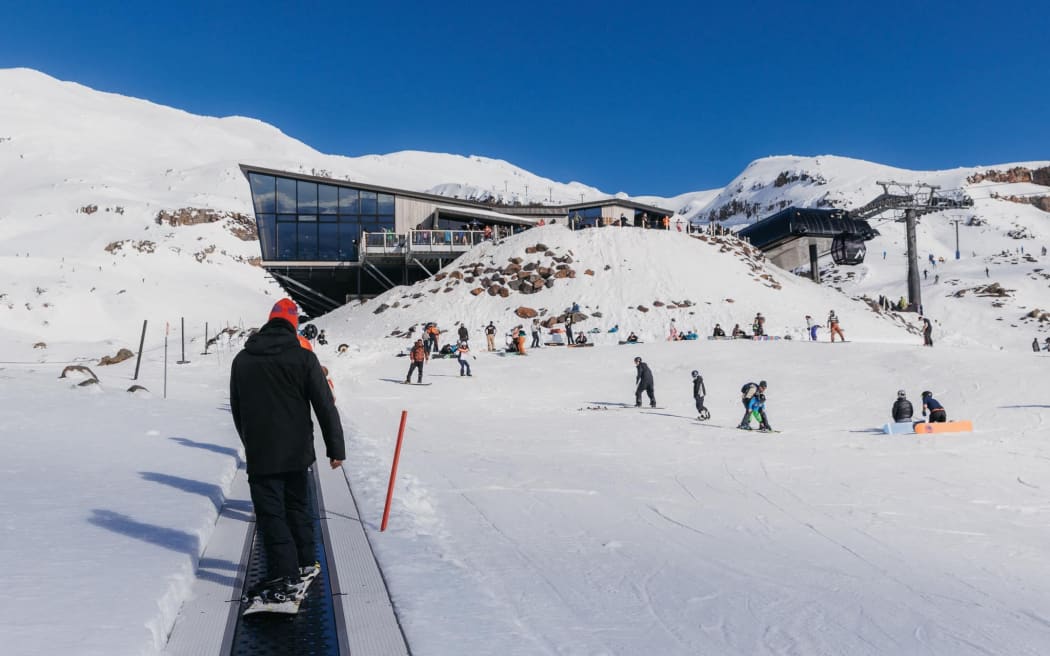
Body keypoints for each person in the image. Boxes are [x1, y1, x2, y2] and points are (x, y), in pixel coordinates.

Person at [230, 299, 345, 609]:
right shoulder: (304, 358)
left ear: (269, 323)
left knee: (272, 516)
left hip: (262, 452)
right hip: (297, 452)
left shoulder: (242, 359)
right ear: (293, 325)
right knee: (298, 507)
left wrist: (250, 442)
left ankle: (286, 575)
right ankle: (305, 563)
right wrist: (335, 449)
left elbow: (237, 410)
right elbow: (324, 406)